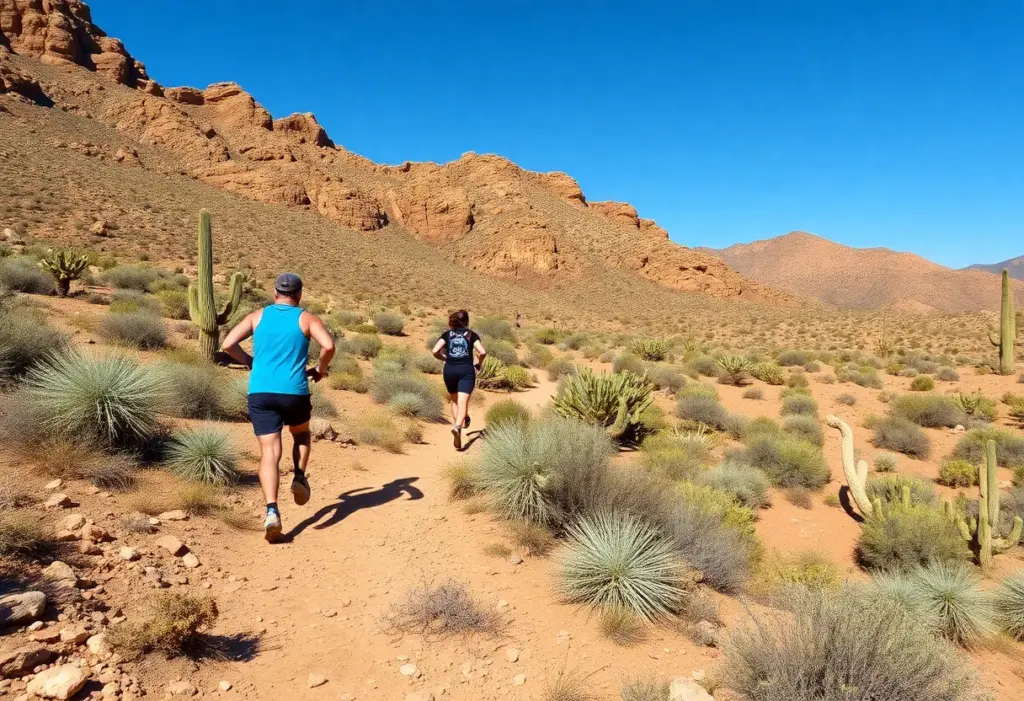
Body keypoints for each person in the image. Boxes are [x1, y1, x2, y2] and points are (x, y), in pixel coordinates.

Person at [221, 273, 335, 542]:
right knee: (301, 434)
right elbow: (328, 345)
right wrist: (320, 369)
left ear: (275, 293)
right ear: (299, 295)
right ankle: (299, 475)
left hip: (260, 392)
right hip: (294, 391)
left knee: (269, 452)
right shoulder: (307, 318)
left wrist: (250, 361)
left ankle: (272, 510)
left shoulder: (257, 316)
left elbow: (227, 344)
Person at [432, 310, 486, 450]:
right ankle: (457, 426)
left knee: (454, 400)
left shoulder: (447, 334)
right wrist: (479, 364)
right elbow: (482, 352)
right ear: (467, 321)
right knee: (462, 401)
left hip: (449, 370)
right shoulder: (471, 335)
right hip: (466, 370)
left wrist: (446, 358)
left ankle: (458, 429)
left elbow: (435, 351)